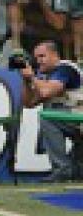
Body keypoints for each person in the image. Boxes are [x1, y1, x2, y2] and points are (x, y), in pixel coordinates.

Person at [20, 42, 83, 182]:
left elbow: (46, 91)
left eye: (42, 56)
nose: (38, 61)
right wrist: (26, 81)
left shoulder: (65, 69)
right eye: (36, 57)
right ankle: (69, 169)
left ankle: (62, 169)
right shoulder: (43, 76)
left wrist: (32, 78)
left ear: (55, 55)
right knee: (78, 172)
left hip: (79, 117)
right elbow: (29, 103)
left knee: (48, 117)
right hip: (75, 120)